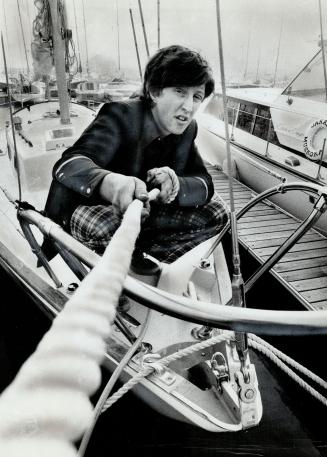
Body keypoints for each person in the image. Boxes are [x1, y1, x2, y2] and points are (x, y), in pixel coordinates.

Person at [43, 45, 228, 272]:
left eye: (196, 96)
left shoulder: (187, 129)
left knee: (219, 214)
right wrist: (110, 183)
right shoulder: (120, 115)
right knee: (105, 227)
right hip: (87, 211)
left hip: (142, 214)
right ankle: (106, 270)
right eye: (180, 91)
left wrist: (177, 185)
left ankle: (143, 257)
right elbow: (68, 164)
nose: (189, 106)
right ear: (153, 91)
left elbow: (205, 183)